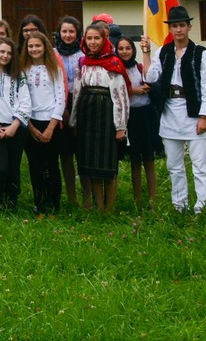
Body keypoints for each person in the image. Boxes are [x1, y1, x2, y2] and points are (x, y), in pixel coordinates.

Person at [145, 6, 206, 213]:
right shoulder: (164, 52)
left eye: (182, 26)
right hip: (169, 112)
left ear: (189, 27)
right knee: (174, 165)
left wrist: (204, 117)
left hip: (192, 111)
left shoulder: (200, 54)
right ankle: (179, 204)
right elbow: (150, 78)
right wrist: (147, 53)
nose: (178, 30)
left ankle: (202, 205)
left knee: (199, 165)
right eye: (174, 26)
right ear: (170, 29)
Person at [69, 23, 129, 213]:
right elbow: (77, 92)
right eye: (89, 38)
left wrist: (121, 126)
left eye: (97, 38)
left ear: (104, 40)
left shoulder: (113, 63)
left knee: (108, 164)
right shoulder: (83, 63)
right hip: (87, 116)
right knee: (91, 164)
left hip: (106, 116)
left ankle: (109, 208)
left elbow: (121, 96)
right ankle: (99, 207)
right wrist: (74, 120)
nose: (93, 42)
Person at [0, 37, 32, 214]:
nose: (5, 55)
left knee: (13, 167)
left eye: (9, 53)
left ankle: (11, 204)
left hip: (16, 128)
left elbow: (25, 102)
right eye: (1, 51)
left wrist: (15, 125)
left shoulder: (19, 75)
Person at [19, 31, 64, 215]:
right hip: (31, 123)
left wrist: (51, 127)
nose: (34, 49)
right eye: (31, 46)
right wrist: (30, 127)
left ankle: (54, 204)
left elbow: (60, 98)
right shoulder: (24, 69)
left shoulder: (54, 69)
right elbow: (23, 99)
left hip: (51, 122)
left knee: (51, 165)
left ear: (45, 47)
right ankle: (39, 203)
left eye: (38, 45)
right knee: (35, 166)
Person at [117, 35, 158, 208]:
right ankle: (137, 199)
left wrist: (146, 52)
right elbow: (117, 91)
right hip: (130, 117)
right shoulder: (117, 70)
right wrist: (132, 90)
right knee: (135, 160)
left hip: (146, 116)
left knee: (148, 159)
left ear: (133, 50)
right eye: (121, 49)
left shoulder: (140, 67)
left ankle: (152, 199)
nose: (125, 52)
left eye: (128, 48)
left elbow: (151, 79)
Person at [53, 15, 84, 206]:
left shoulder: (84, 54)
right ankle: (72, 197)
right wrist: (62, 107)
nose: (68, 35)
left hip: (81, 103)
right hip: (60, 103)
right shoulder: (53, 53)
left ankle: (87, 197)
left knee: (82, 153)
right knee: (65, 154)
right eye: (64, 31)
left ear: (78, 33)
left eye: (71, 31)